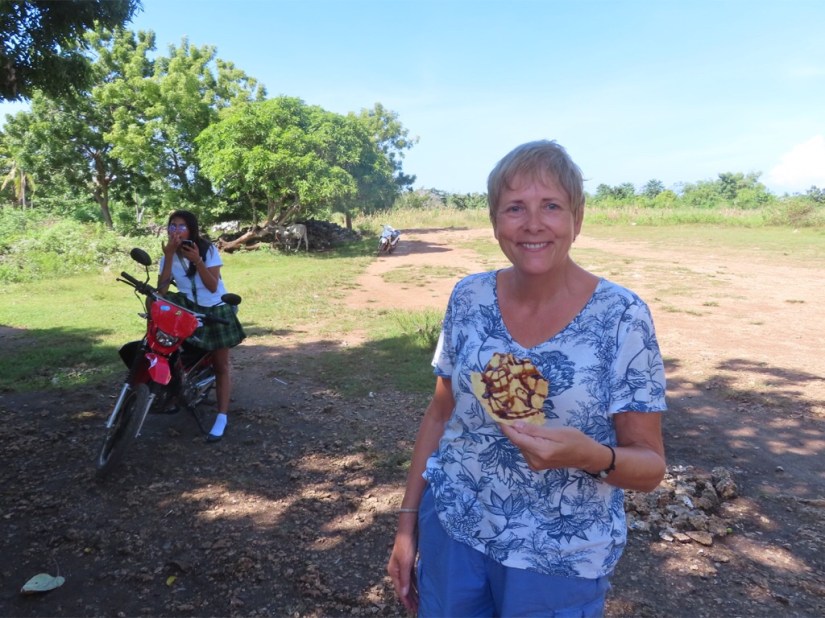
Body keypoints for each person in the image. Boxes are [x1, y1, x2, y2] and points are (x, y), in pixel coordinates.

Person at [387, 140, 667, 617]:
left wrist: (589, 456)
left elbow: (650, 467)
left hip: (559, 557)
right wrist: (407, 523)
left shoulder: (622, 317)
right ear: (495, 221)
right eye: (515, 207)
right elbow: (440, 413)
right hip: (455, 529)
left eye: (551, 206)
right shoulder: (469, 297)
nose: (533, 223)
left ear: (577, 218)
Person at [157, 209, 246, 443]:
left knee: (221, 365)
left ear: (191, 229)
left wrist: (197, 260)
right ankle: (173, 392)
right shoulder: (168, 255)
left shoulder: (207, 250)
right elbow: (162, 290)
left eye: (181, 226)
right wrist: (168, 257)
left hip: (214, 307)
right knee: (170, 347)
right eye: (172, 226)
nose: (176, 231)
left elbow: (213, 286)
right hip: (188, 307)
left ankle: (221, 417)